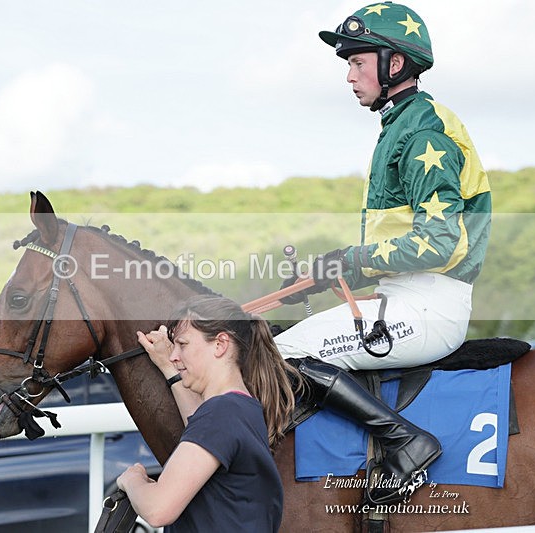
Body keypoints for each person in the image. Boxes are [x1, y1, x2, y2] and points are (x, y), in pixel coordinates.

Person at [276, 2, 492, 504]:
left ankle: (407, 442)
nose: (349, 76)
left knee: (283, 355)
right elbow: (391, 246)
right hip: (403, 299)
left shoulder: (421, 133)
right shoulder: (402, 124)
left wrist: (350, 260)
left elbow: (440, 242)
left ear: (394, 64)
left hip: (429, 307)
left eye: (356, 62)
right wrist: (329, 269)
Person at [116, 295, 297, 532]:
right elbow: (199, 424)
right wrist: (169, 370)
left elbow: (158, 510)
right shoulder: (242, 408)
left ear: (221, 344)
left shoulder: (221, 414)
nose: (174, 355)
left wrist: (132, 480)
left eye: (183, 344)